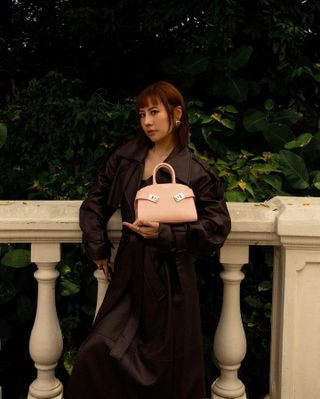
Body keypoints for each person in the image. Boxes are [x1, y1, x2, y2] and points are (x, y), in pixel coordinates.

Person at [64, 81, 231, 399]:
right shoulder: (125, 158)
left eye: (155, 112)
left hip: (173, 279)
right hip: (128, 272)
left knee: (170, 369)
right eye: (142, 114)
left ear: (176, 113)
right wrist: (98, 246)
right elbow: (95, 203)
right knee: (98, 349)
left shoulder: (196, 171)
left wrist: (165, 234)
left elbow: (217, 227)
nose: (147, 122)